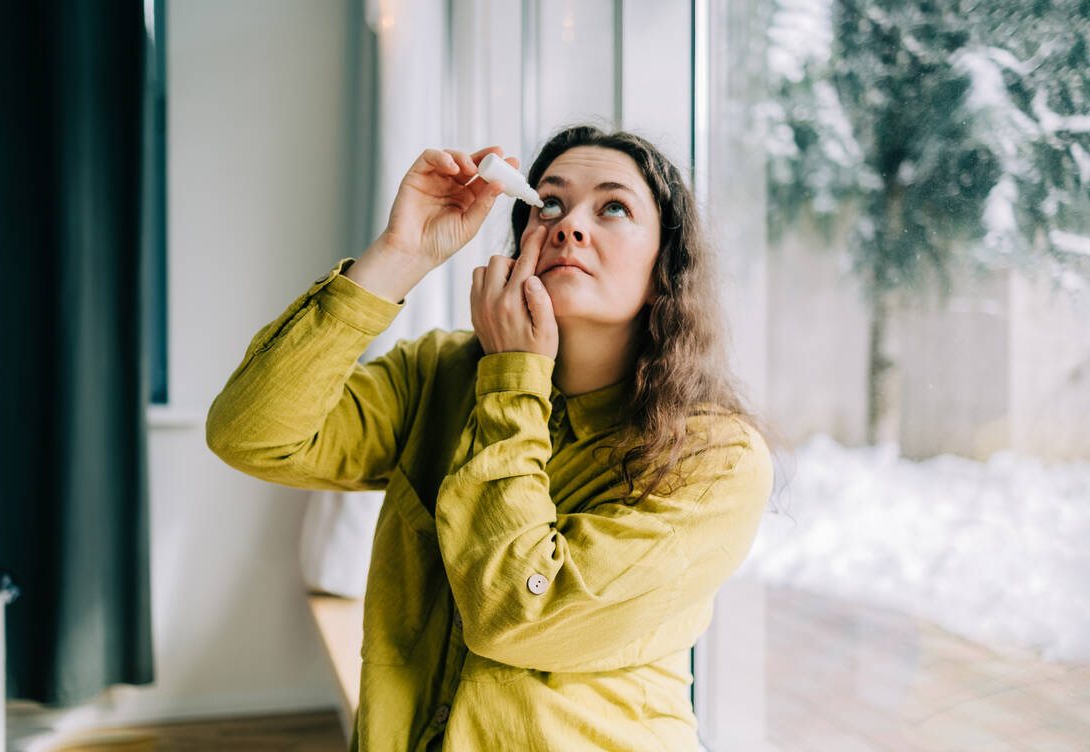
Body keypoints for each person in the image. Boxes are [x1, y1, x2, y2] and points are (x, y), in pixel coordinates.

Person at [206, 124, 777, 751]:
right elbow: (251, 434)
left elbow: (514, 615)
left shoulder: (716, 461)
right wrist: (398, 256)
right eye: (550, 203)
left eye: (613, 207)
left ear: (665, 264)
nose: (568, 226)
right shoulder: (438, 376)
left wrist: (512, 381)